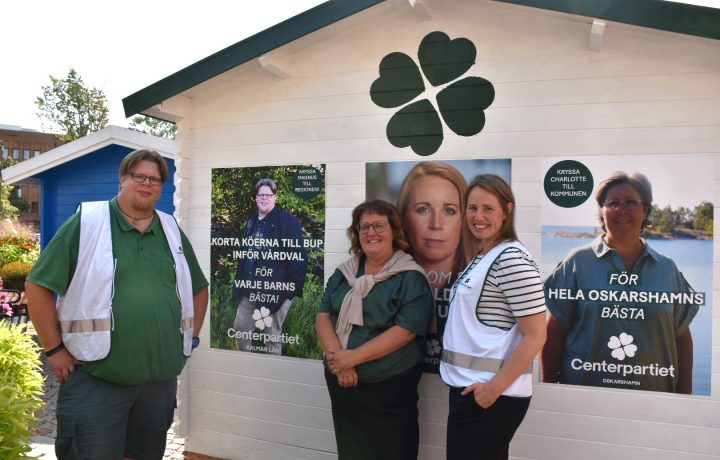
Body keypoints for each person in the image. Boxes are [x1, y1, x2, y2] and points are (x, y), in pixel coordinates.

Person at [25, 149, 209, 459]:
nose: (147, 184)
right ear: (122, 179)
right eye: (139, 176)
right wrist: (54, 350)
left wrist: (189, 340)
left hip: (157, 384)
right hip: (98, 379)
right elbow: (38, 286)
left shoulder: (170, 228)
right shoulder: (87, 222)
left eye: (155, 179)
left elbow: (199, 289)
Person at [542, 171, 698, 393]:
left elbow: (682, 338)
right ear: (601, 211)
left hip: (655, 401)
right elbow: (554, 333)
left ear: (644, 210)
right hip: (584, 399)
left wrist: (685, 398)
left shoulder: (667, 269)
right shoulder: (577, 262)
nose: (621, 210)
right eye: (613, 203)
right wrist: (550, 391)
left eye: (631, 202)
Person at [316, 199, 433, 460]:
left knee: (392, 451)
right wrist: (340, 361)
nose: (371, 233)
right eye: (364, 227)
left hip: (389, 391)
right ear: (357, 234)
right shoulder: (343, 273)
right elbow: (323, 315)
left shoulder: (410, 277)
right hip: (343, 385)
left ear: (394, 231)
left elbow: (405, 331)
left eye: (379, 225)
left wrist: (352, 358)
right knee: (352, 450)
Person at [440, 174, 547, 460]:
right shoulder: (485, 254)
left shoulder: (510, 258)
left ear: (507, 211)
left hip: (491, 396)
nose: (478, 216)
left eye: (488, 208)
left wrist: (493, 389)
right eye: (472, 208)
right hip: (474, 391)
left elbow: (537, 334)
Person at [397, 162, 469, 371]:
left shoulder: (485, 278)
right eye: (423, 209)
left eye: (449, 210)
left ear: (464, 219)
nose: (436, 224)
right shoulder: (384, 277)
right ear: (402, 217)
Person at [232, 178, 307, 355]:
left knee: (271, 338)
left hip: (276, 293)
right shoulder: (252, 221)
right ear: (256, 198)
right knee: (240, 330)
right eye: (261, 195)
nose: (264, 198)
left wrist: (287, 294)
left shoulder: (287, 221)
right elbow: (245, 256)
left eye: (268, 194)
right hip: (249, 291)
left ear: (275, 197)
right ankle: (245, 370)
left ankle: (271, 376)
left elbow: (299, 260)